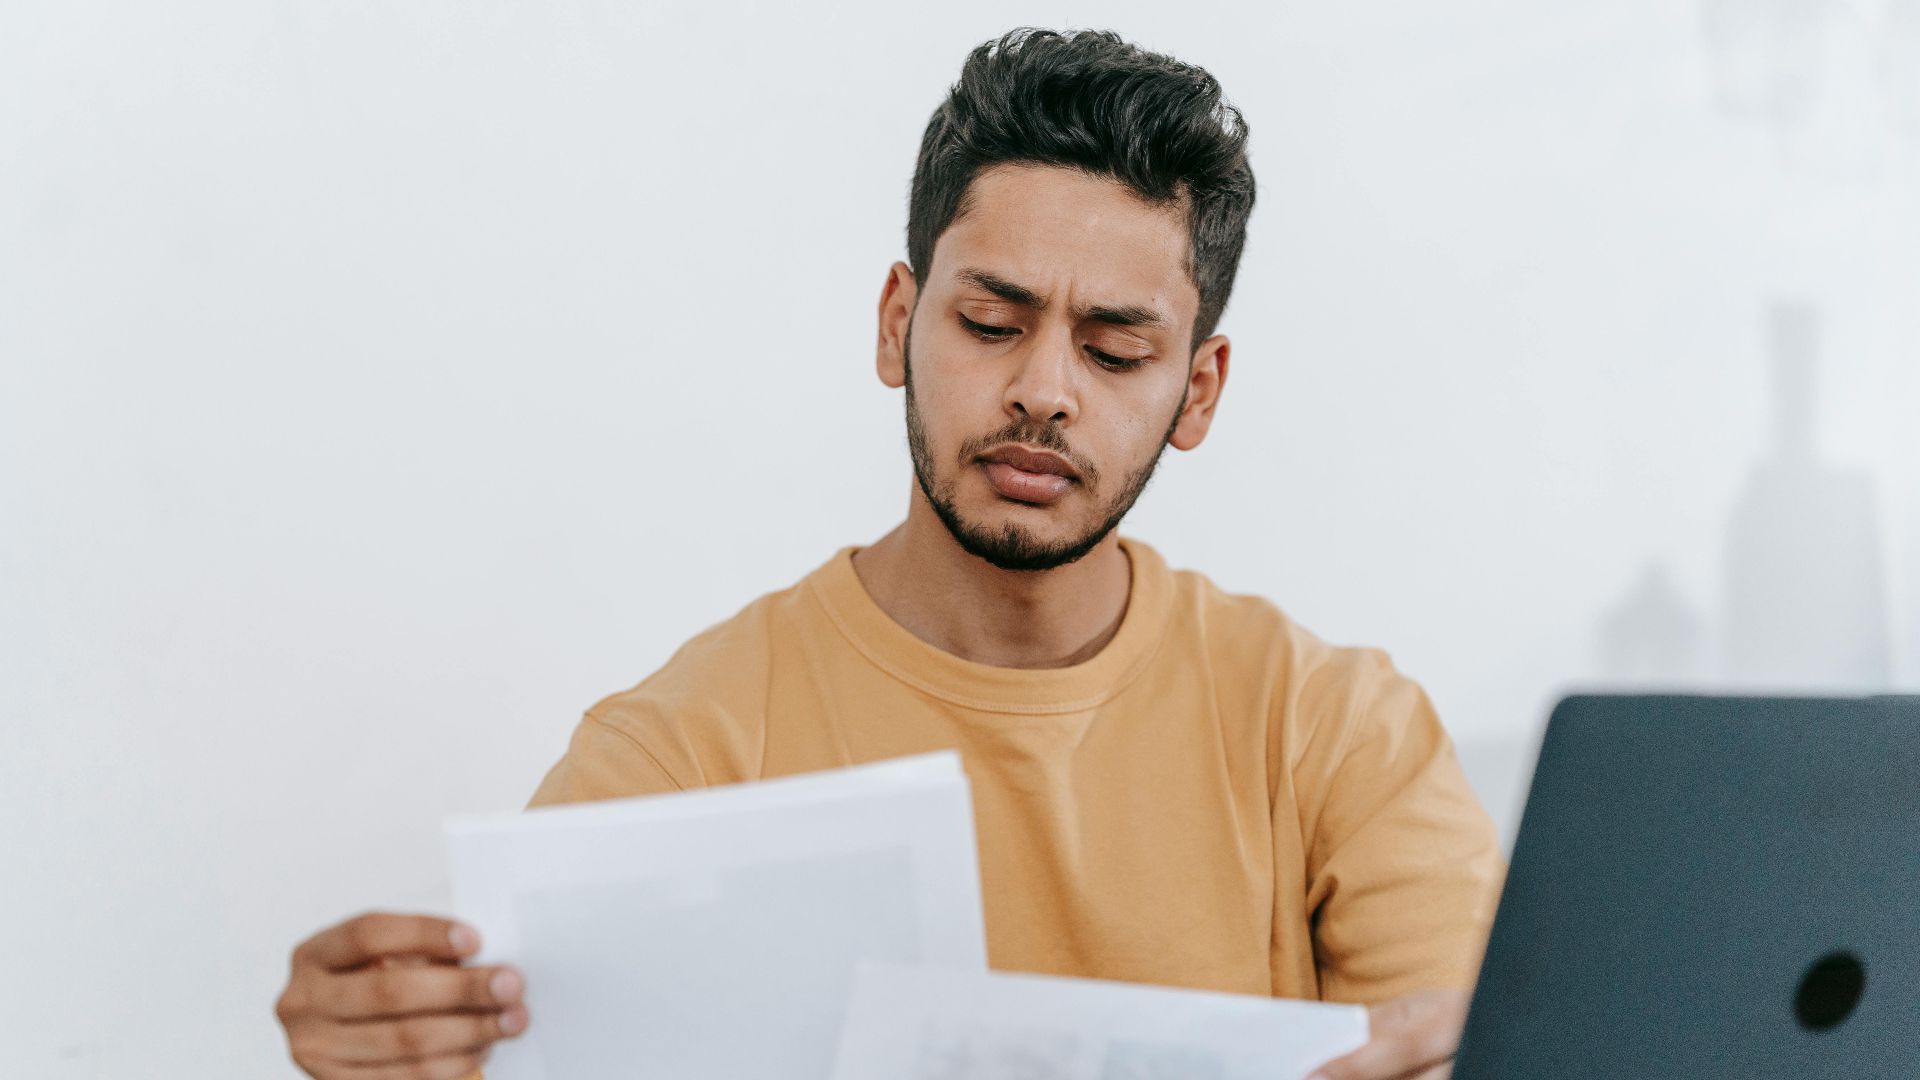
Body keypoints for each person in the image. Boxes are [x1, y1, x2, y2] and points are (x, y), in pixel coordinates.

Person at [273, 27, 1504, 1080]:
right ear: (898, 324)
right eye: (989, 322)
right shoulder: (691, 747)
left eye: (1116, 351)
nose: (1043, 393)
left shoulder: (1336, 732)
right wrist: (396, 1047)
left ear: (1199, 391)